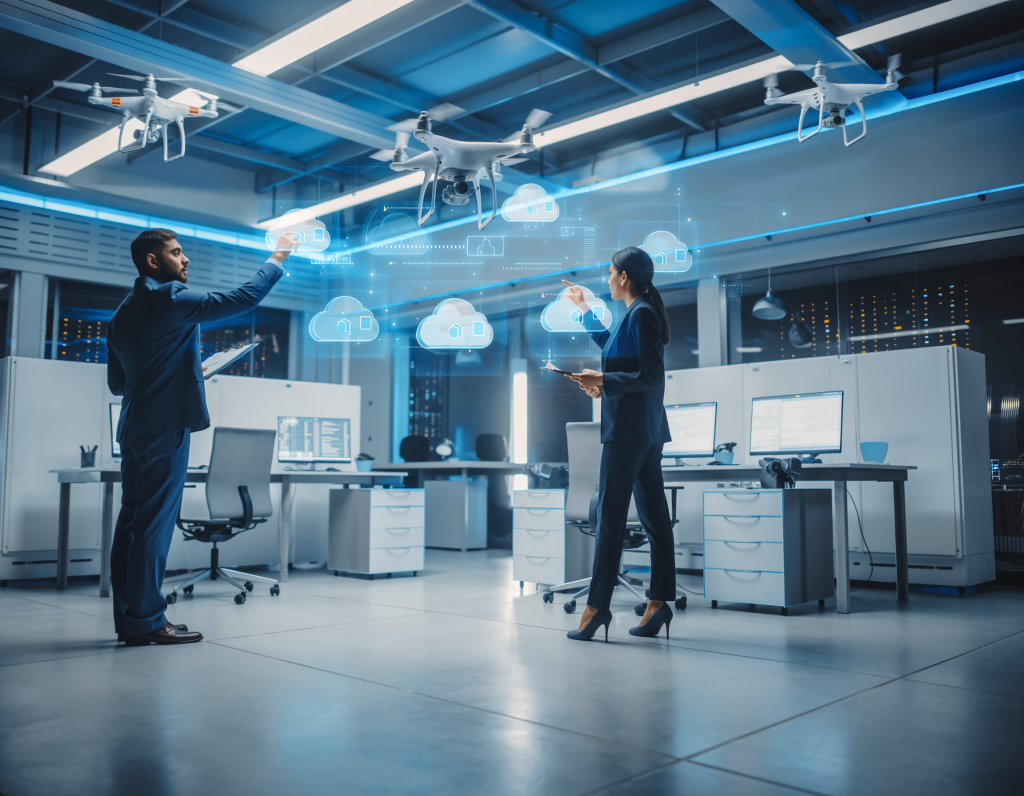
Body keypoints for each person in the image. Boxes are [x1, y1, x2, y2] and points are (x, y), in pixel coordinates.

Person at [107, 228, 294, 646]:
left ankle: (131, 621)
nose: (185, 259)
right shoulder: (171, 297)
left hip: (135, 428)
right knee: (153, 529)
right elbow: (243, 298)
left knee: (132, 526)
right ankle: (151, 621)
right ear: (153, 262)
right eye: (176, 253)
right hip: (165, 425)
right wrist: (278, 256)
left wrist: (189, 371)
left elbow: (119, 384)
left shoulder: (121, 315)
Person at [561, 246, 676, 642]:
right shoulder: (639, 313)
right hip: (644, 431)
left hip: (628, 432)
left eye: (610, 273)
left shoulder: (642, 314)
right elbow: (614, 350)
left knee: (609, 521)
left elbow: (650, 377)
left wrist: (604, 381)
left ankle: (595, 610)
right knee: (657, 523)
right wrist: (584, 309)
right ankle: (659, 604)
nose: (607, 279)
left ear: (624, 277)